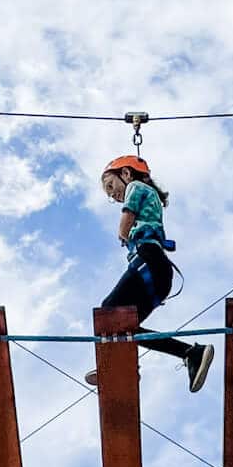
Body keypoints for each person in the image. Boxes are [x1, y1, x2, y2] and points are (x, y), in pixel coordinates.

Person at [84, 155, 214, 393]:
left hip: (149, 263)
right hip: (158, 274)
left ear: (126, 174)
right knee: (126, 329)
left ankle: (117, 365)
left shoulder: (136, 186)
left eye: (111, 187)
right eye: (110, 195)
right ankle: (190, 353)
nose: (113, 195)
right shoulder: (148, 195)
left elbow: (126, 220)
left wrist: (123, 233)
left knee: (109, 312)